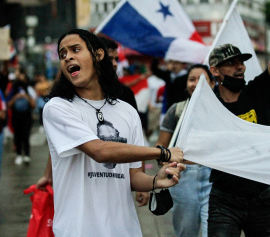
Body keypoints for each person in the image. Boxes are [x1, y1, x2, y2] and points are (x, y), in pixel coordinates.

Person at [40, 29, 185, 237]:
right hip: (77, 231)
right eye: (63, 54)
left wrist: (156, 181)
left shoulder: (127, 112)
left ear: (98, 55)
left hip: (124, 230)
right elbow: (100, 151)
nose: (68, 57)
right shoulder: (58, 108)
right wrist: (162, 153)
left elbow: (133, 177)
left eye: (75, 49)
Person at [207, 43, 270, 237]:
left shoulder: (258, 91)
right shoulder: (208, 106)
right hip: (225, 200)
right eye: (231, 63)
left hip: (263, 196)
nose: (240, 67)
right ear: (215, 70)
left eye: (241, 62)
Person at [156, 64, 215, 237]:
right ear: (186, 84)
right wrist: (165, 159)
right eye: (192, 79)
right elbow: (160, 146)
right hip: (183, 179)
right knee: (186, 233)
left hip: (213, 180)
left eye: (202, 79)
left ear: (212, 84)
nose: (196, 83)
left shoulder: (221, 111)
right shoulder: (176, 111)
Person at [98, 36, 149, 206]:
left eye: (116, 59)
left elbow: (136, 140)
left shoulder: (125, 94)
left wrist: (140, 177)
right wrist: (50, 175)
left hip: (119, 180)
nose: (114, 64)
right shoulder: (73, 99)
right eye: (109, 58)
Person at [7, 68, 36, 165]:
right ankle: (19, 154)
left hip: (26, 116)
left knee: (26, 136)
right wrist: (16, 97)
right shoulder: (14, 90)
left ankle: (27, 155)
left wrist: (26, 97)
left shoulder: (29, 89)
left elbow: (33, 105)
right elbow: (8, 104)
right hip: (16, 116)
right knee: (17, 136)